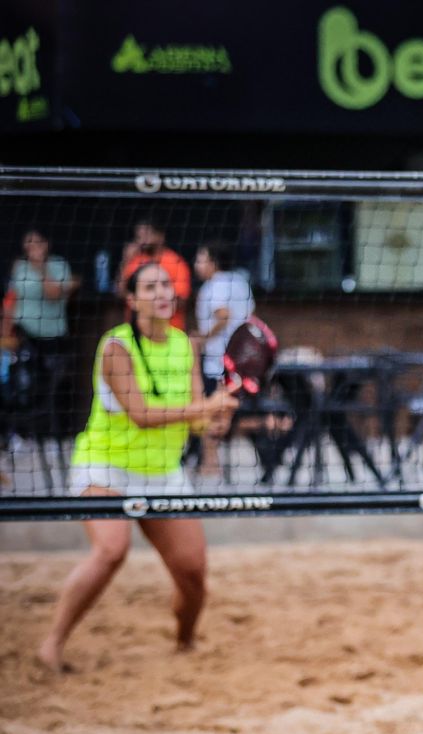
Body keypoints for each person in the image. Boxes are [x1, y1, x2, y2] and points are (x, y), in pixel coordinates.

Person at [37, 262, 238, 672]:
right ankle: (51, 644)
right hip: (105, 466)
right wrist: (204, 407)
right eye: (151, 286)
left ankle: (184, 644)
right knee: (111, 550)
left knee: (193, 573)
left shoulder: (185, 345)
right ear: (132, 300)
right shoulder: (116, 347)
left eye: (166, 284)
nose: (162, 292)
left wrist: (215, 419)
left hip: (162, 472)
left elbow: (196, 420)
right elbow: (141, 413)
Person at [5, 229, 80, 442]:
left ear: (46, 244)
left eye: (37, 242)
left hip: (53, 335)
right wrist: (6, 331)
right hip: (25, 335)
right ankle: (25, 435)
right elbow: (13, 299)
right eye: (29, 242)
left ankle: (54, 434)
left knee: (54, 387)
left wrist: (41, 267)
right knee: (24, 384)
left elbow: (54, 295)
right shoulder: (19, 267)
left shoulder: (58, 265)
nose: (33, 246)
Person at [192, 240, 255, 476]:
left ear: (213, 262)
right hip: (241, 359)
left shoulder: (214, 285)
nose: (196, 265)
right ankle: (274, 424)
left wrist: (201, 338)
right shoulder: (240, 282)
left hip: (219, 361)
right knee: (229, 412)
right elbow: (249, 316)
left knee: (211, 412)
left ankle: (211, 464)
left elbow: (223, 316)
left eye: (200, 259)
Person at [120, 219, 192, 331]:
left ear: (160, 236)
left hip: (170, 332)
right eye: (139, 237)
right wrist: (125, 261)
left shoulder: (175, 261)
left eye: (146, 235)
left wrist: (152, 304)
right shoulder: (134, 260)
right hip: (138, 333)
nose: (142, 240)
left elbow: (181, 301)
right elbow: (121, 293)